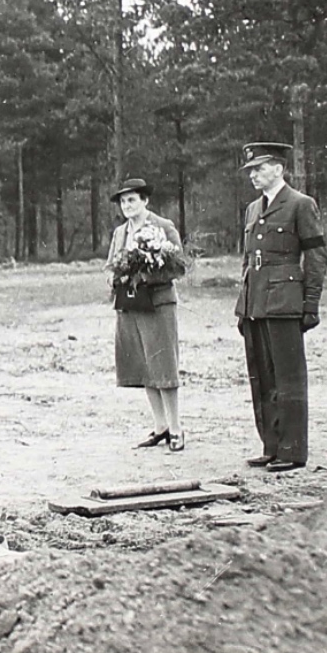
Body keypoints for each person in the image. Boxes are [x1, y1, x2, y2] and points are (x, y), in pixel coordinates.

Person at [235, 142, 327, 472]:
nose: (253, 175)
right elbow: (247, 260)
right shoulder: (252, 209)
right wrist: (243, 304)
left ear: (279, 168)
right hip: (256, 303)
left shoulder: (301, 204)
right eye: (250, 170)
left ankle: (292, 450)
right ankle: (271, 445)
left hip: (285, 302)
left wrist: (310, 304)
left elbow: (316, 256)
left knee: (288, 378)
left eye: (259, 168)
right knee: (262, 378)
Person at [105, 178, 187, 452]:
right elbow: (110, 264)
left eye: (132, 200)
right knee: (142, 364)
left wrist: (147, 272)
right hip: (130, 305)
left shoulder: (163, 227)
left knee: (163, 363)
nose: (127, 206)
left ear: (145, 201)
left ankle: (176, 428)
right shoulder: (120, 232)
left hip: (158, 304)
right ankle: (160, 426)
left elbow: (179, 266)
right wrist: (115, 276)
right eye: (123, 201)